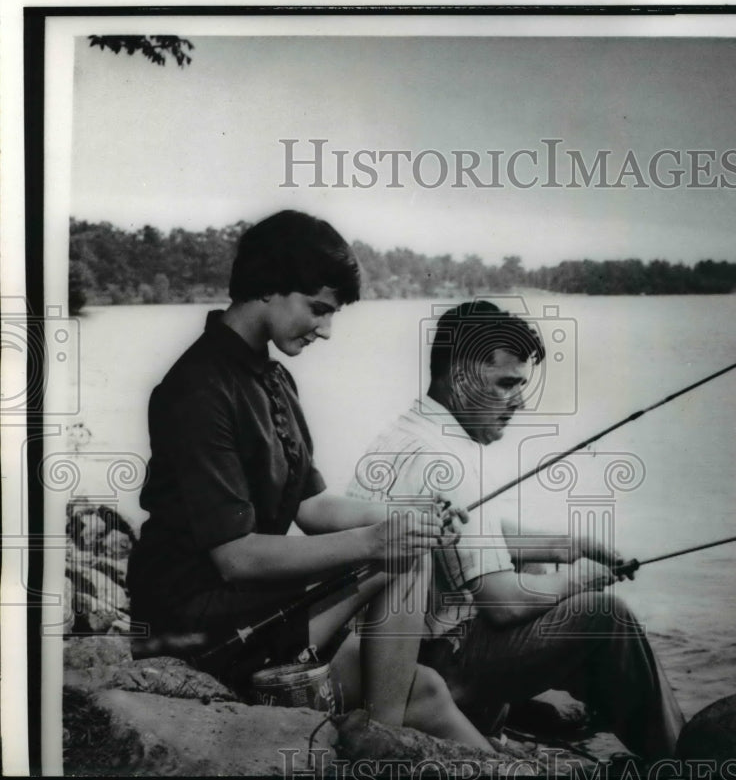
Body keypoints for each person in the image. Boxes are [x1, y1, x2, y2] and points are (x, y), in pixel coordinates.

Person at [126, 211, 492, 750]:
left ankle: (435, 744)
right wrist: (378, 541)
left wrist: (408, 516)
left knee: (428, 687)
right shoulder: (197, 389)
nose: (326, 329)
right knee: (404, 556)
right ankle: (384, 742)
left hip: (246, 603)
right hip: (196, 625)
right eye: (318, 309)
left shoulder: (274, 378)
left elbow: (313, 506)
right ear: (268, 287)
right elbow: (236, 556)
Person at [346, 300, 686, 760]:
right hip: (422, 668)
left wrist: (565, 546)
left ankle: (528, 720)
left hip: (383, 649)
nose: (519, 403)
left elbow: (465, 531)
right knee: (608, 618)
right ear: (460, 377)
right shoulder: (445, 459)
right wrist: (584, 579)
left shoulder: (410, 432)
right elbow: (504, 604)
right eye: (507, 384)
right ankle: (682, 757)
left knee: (537, 560)